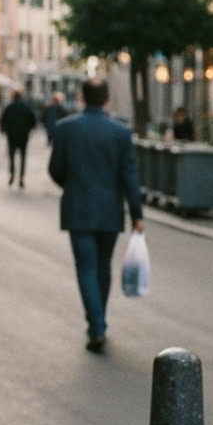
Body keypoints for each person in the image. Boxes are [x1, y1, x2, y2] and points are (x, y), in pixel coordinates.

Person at [48, 78, 143, 352]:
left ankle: (96, 325)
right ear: (106, 100)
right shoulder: (120, 133)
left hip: (78, 209)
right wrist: (136, 214)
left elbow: (55, 169)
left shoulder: (66, 129)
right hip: (110, 210)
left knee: (86, 268)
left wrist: (72, 185)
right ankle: (99, 320)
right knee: (103, 266)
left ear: (81, 97)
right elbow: (129, 176)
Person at [0, 90, 37, 187]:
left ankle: (12, 172)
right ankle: (21, 176)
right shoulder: (27, 107)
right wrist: (30, 128)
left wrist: (4, 129)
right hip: (24, 135)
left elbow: (3, 119)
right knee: (23, 156)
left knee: (11, 155)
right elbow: (33, 119)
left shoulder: (9, 107)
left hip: (12, 135)